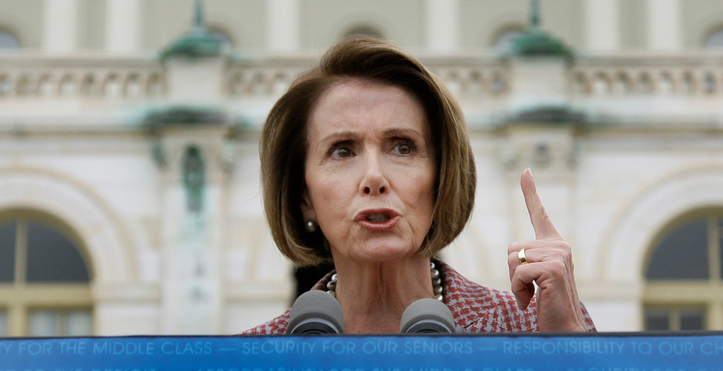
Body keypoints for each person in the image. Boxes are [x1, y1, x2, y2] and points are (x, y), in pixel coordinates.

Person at [244, 36, 595, 335]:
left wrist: (565, 352)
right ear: (304, 197)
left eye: (402, 147)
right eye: (342, 151)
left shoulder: (529, 327)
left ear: (441, 179)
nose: (374, 178)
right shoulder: (250, 361)